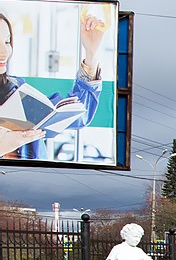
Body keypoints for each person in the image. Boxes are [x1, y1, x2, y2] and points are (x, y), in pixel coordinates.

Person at [0, 9, 106, 159]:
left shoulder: (14, 89)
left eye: (7, 41)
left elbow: (79, 115)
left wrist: (91, 54)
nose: (5, 52)